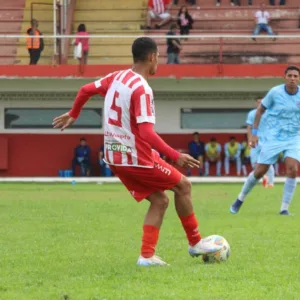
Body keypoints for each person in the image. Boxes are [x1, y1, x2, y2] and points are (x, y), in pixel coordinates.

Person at [53, 37, 221, 266]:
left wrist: (74, 113)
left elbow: (85, 89)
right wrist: (175, 155)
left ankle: (147, 256)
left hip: (113, 156)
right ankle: (195, 243)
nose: (158, 62)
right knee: (184, 185)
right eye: (158, 57)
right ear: (152, 57)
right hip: (135, 157)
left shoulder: (117, 77)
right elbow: (146, 133)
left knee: (160, 200)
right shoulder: (142, 89)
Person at [230, 66, 300, 216]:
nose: (292, 78)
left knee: (293, 168)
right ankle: (239, 199)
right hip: (273, 136)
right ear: (284, 77)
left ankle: (284, 209)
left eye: (295, 76)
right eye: (290, 76)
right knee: (260, 171)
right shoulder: (275, 92)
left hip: (293, 137)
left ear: (298, 78)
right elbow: (260, 111)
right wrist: (254, 134)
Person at [245, 97, 275, 188]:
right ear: (256, 104)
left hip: (267, 141)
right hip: (255, 141)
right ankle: (264, 177)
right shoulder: (252, 114)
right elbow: (249, 128)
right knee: (254, 163)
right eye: (258, 102)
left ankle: (271, 183)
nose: (260, 104)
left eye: (262, 102)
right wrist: (249, 140)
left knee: (267, 162)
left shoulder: (270, 114)